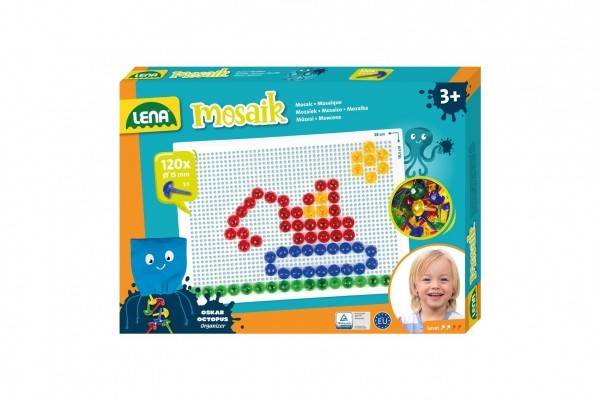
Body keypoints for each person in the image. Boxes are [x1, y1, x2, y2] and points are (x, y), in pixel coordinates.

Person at [400, 249, 463, 333]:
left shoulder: (461, 323)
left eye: (444, 279)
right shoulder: (402, 323)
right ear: (415, 287)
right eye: (426, 279)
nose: (435, 286)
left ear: (454, 287)